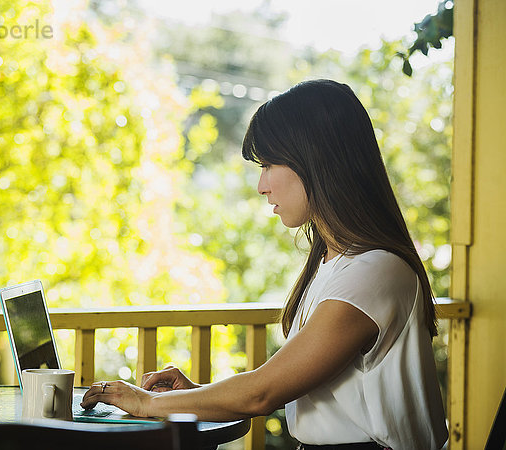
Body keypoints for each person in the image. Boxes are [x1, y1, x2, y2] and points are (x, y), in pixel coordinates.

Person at [81, 79, 449, 449]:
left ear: (316, 160)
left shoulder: (375, 271)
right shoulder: (332, 262)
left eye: (270, 164)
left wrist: (147, 403)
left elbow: (262, 393)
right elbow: (278, 386)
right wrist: (196, 395)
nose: (261, 185)